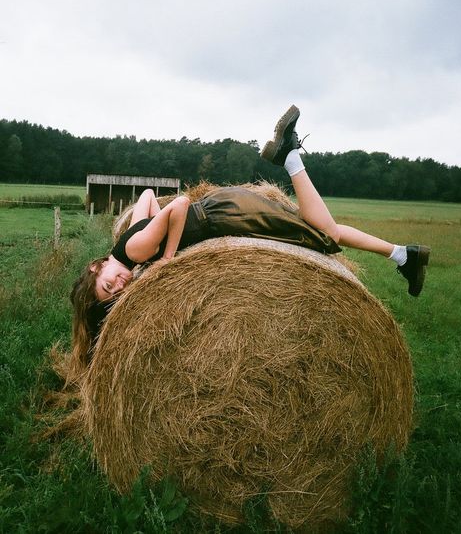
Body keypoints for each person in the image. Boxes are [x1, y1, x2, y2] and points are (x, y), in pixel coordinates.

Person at [69, 105, 430, 371]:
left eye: (107, 285)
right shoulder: (126, 247)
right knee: (318, 233)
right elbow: (148, 195)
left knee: (323, 234)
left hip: (228, 214)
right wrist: (141, 221)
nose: (119, 286)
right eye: (114, 294)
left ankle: (290, 155)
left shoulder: (134, 250)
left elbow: (179, 204)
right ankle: (402, 255)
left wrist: (168, 258)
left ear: (96, 266)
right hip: (225, 208)